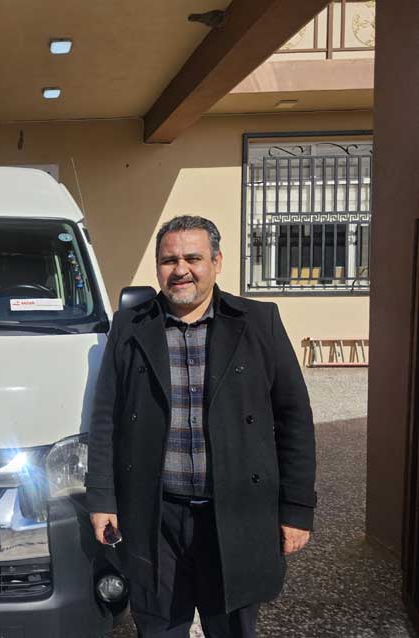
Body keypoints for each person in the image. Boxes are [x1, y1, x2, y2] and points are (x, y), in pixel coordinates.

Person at [85, 215, 316, 638]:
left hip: (235, 513)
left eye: (193, 258)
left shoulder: (259, 322)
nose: (181, 270)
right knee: (159, 628)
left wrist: (297, 510)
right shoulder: (130, 326)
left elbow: (294, 419)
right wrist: (102, 498)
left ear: (217, 262)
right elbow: (105, 417)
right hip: (154, 516)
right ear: (158, 267)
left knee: (231, 628)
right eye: (169, 260)